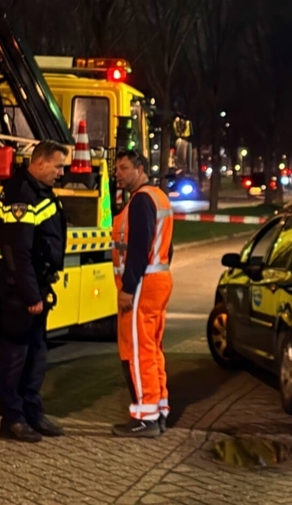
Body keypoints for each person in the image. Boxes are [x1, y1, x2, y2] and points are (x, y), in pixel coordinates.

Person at [0, 139, 69, 442]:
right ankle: (12, 419)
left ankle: (32, 412)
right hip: (21, 290)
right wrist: (30, 294)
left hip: (36, 284)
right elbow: (17, 251)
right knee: (15, 355)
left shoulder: (39, 190)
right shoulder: (20, 195)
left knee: (36, 354)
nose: (61, 172)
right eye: (58, 166)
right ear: (40, 162)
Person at [111, 150, 174, 438]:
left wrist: (128, 287)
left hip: (142, 284)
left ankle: (145, 417)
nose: (118, 173)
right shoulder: (159, 197)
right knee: (152, 348)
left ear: (140, 169)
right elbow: (165, 246)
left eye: (124, 168)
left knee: (138, 352)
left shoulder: (140, 201)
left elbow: (138, 247)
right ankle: (159, 409)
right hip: (158, 279)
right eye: (117, 168)